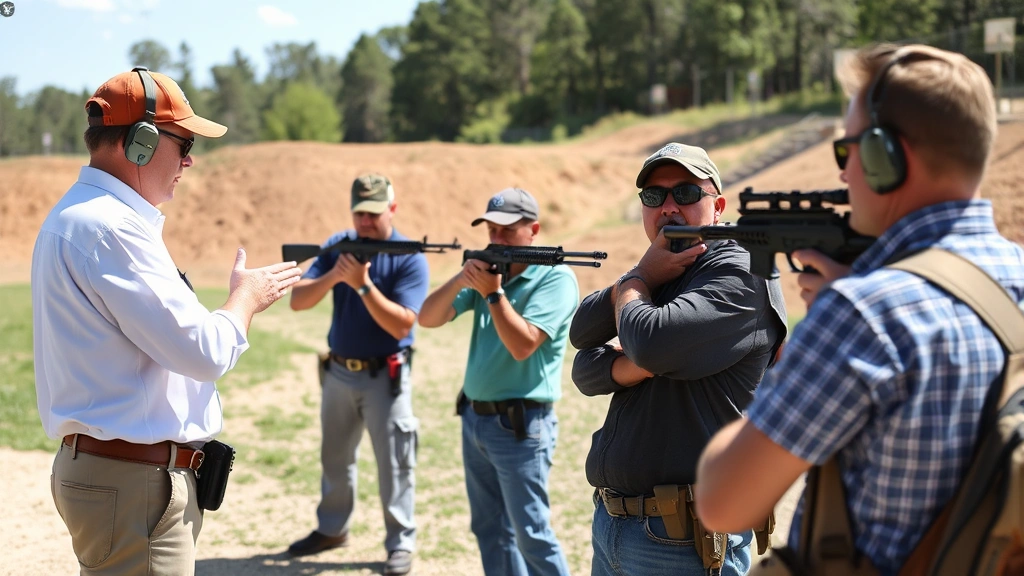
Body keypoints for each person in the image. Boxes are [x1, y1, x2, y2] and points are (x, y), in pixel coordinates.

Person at [694, 44, 1024, 575]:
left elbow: (721, 502)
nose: (844, 177)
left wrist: (831, 325)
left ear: (886, 158)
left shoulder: (865, 315)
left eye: (847, 153)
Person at [33, 67, 302, 576]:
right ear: (141, 142)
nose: (189, 159)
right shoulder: (112, 228)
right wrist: (244, 301)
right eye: (183, 143)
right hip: (133, 481)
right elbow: (202, 353)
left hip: (117, 475)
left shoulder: (82, 217)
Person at [569, 142, 788, 576]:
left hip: (685, 539)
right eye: (654, 196)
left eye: (686, 193)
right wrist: (639, 290)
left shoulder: (740, 270)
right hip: (614, 524)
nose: (668, 206)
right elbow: (582, 350)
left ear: (718, 205)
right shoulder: (665, 268)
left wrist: (638, 290)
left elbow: (649, 342)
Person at [418, 187, 577, 576]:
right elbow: (427, 317)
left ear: (533, 230)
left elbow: (523, 345)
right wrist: (461, 279)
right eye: (491, 229)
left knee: (532, 535)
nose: (497, 238)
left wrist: (492, 294)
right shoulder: (491, 274)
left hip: (521, 425)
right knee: (490, 530)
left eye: (507, 230)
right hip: (476, 420)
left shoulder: (556, 279)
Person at [286, 174, 428, 576]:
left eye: (374, 213)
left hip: (387, 376)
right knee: (334, 458)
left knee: (396, 463)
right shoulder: (337, 246)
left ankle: (400, 543)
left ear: (392, 210)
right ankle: (332, 529)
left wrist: (362, 286)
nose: (365, 221)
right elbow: (298, 300)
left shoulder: (409, 256)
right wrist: (335, 275)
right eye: (359, 213)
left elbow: (403, 326)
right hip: (338, 374)